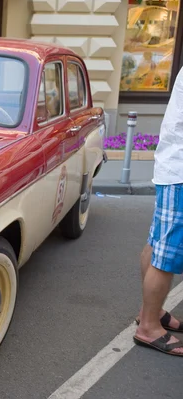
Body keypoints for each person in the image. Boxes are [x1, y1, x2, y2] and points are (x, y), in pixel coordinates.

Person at [134, 66, 183, 356]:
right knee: (167, 254)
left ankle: (149, 313)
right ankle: (149, 327)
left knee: (157, 245)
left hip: (174, 168)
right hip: (180, 172)